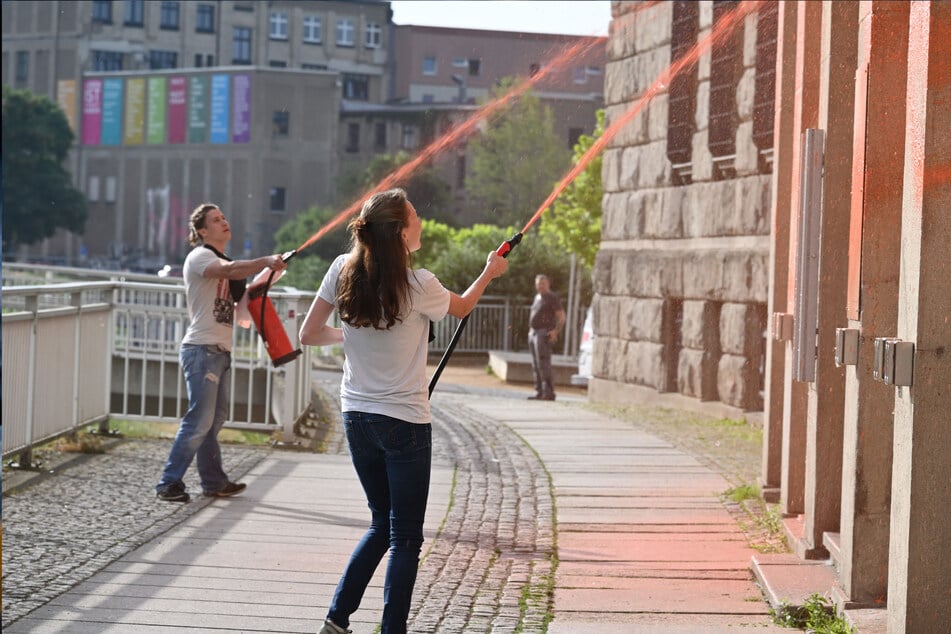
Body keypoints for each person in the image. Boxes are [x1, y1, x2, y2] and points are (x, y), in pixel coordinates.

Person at [298, 188, 508, 634]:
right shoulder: (420, 285)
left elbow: (309, 333)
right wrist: (490, 271)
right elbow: (464, 306)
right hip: (405, 423)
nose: (421, 222)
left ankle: (337, 620)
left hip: (356, 417)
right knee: (405, 536)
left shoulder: (341, 271)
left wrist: (352, 335)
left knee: (381, 523)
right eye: (415, 215)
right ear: (398, 232)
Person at [155, 203, 287, 503]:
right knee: (199, 420)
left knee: (213, 422)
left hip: (219, 351)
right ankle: (168, 483)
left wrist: (272, 271)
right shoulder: (201, 257)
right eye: (215, 220)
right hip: (201, 349)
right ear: (202, 231)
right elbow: (228, 270)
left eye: (224, 217)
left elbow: (245, 304)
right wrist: (264, 259)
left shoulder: (230, 266)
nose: (224, 222)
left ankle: (214, 482)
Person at [527, 274, 566, 401]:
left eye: (543, 283)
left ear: (548, 284)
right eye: (538, 283)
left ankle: (548, 393)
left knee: (544, 364)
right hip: (533, 333)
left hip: (543, 333)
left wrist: (556, 331)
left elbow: (561, 316)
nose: (540, 286)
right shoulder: (537, 297)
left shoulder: (552, 297)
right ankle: (539, 392)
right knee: (535, 364)